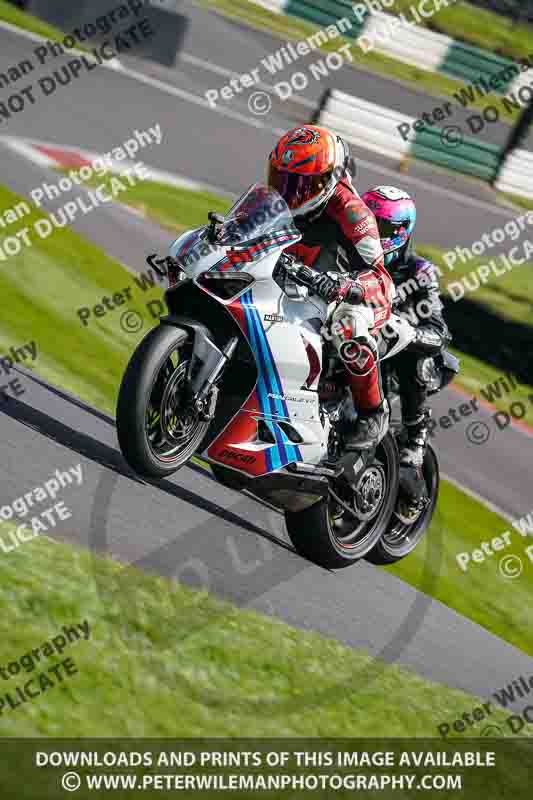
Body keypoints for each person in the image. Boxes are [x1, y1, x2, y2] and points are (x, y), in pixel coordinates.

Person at [267, 126, 395, 450]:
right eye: (282, 179)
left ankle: (372, 412)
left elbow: (381, 279)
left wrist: (344, 285)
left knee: (348, 328)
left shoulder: (351, 210)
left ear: (328, 179)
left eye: (300, 184)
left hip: (344, 292)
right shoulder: (276, 201)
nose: (289, 191)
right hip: (294, 282)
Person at [361, 185, 451, 512]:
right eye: (367, 221)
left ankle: (414, 445)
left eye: (380, 226)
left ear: (400, 232)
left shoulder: (419, 272)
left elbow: (439, 332)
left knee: (416, 359)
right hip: (351, 338)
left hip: (396, 353)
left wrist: (406, 330)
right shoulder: (350, 252)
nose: (372, 231)